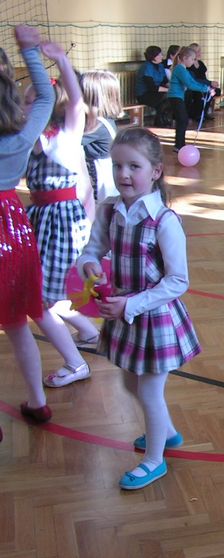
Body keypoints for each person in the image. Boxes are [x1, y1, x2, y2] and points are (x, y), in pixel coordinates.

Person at [77, 127, 201, 490]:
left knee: (148, 391)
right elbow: (92, 250)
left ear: (156, 171)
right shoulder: (110, 209)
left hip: (154, 318)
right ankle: (168, 433)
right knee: (129, 382)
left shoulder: (164, 221)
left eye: (134, 166)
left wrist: (131, 303)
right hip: (124, 314)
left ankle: (154, 459)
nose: (124, 174)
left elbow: (178, 281)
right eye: (117, 166)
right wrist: (90, 264)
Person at [24, 34, 96, 388]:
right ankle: (88, 330)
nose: (24, 107)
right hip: (40, 220)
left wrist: (62, 61)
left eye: (30, 101)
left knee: (39, 300)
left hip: (63, 223)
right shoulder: (30, 141)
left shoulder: (64, 138)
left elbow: (77, 102)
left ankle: (76, 363)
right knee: (49, 291)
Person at [0, 26, 57, 433]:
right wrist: (30, 51)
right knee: (17, 323)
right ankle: (38, 402)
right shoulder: (23, 132)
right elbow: (48, 97)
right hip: (13, 228)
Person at [81, 69, 122, 210]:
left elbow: (68, 141)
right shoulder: (102, 120)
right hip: (101, 177)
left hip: (101, 180)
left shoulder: (97, 124)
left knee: (98, 213)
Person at [167, 46, 215, 152]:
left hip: (178, 97)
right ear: (185, 58)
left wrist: (207, 87)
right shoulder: (180, 69)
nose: (193, 62)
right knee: (182, 120)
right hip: (175, 97)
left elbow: (193, 82)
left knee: (183, 120)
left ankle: (180, 145)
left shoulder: (183, 69)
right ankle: (179, 145)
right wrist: (206, 89)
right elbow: (190, 84)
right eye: (192, 59)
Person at [134, 46, 170, 127]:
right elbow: (152, 87)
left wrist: (173, 87)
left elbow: (165, 81)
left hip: (157, 92)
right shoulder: (146, 67)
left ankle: (163, 120)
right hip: (144, 94)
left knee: (170, 97)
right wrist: (168, 90)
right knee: (164, 97)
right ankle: (160, 121)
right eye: (160, 55)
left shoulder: (160, 66)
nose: (162, 56)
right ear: (153, 56)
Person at [186, 43, 220, 122]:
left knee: (214, 91)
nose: (200, 53)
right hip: (194, 86)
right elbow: (193, 80)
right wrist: (210, 83)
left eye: (200, 51)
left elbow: (204, 77)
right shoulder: (189, 65)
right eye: (197, 51)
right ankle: (197, 114)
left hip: (203, 84)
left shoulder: (201, 63)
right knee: (199, 93)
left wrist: (211, 84)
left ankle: (204, 113)